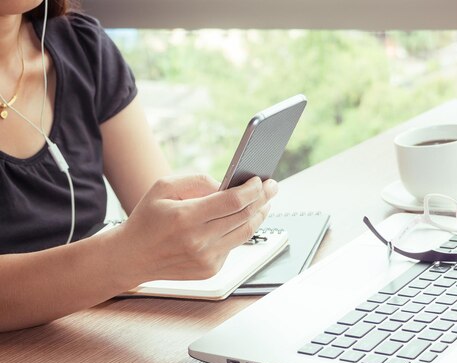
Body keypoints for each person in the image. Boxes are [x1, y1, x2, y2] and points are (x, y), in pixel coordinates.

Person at [0, 0, 277, 332]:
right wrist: (124, 258)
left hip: (84, 340)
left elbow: (162, 212)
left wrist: (210, 223)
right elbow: (138, 250)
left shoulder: (83, 47)